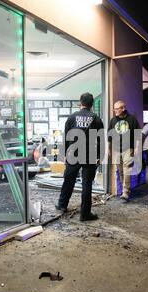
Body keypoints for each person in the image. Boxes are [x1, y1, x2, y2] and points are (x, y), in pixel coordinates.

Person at [55, 93, 104, 221]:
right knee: (87, 184)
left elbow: (66, 138)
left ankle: (61, 205)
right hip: (90, 154)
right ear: (92, 104)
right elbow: (100, 140)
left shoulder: (72, 118)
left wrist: (65, 154)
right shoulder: (96, 119)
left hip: (73, 153)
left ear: (80, 102)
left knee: (69, 180)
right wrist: (99, 155)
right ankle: (85, 214)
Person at [108, 100, 141, 203]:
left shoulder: (132, 119)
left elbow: (138, 135)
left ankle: (125, 192)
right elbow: (109, 136)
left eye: (117, 109)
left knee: (127, 170)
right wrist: (108, 149)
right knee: (121, 170)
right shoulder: (113, 120)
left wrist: (136, 148)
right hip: (117, 149)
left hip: (128, 148)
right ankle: (124, 189)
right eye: (114, 108)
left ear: (123, 108)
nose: (115, 111)